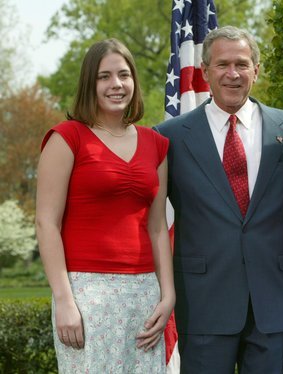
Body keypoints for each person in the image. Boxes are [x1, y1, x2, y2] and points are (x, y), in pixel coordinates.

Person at [154, 26, 283, 374]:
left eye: (242, 63)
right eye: (222, 65)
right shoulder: (169, 137)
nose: (232, 74)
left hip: (275, 303)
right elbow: (151, 216)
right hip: (203, 302)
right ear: (205, 71)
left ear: (257, 69)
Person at [35, 38, 175, 373]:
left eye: (124, 75)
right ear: (90, 83)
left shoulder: (156, 144)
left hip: (144, 293)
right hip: (85, 294)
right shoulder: (67, 137)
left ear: (134, 82)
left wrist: (167, 295)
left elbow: (157, 226)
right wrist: (65, 301)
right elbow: (46, 223)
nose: (116, 84)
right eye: (105, 76)